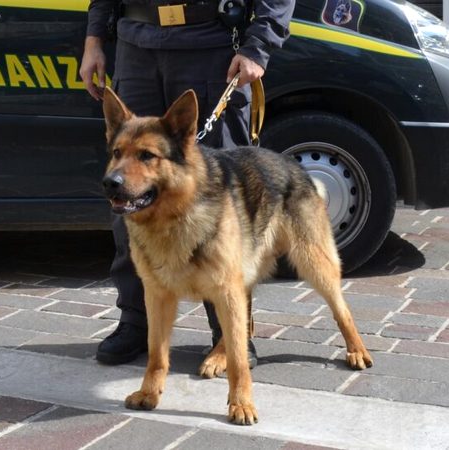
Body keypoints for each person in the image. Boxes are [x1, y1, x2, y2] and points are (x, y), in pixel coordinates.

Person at [80, 0, 295, 367]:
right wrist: (94, 40)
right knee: (130, 197)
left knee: (222, 204)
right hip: (137, 48)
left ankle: (229, 333)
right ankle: (136, 321)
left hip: (209, 46)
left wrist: (258, 46)